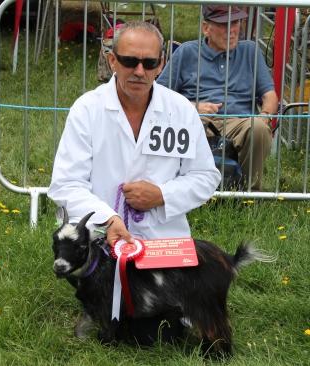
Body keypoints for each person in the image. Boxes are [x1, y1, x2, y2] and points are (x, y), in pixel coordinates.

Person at [48, 21, 220, 344]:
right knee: (122, 329)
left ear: (162, 63)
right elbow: (65, 184)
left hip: (164, 243)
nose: (139, 71)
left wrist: (162, 195)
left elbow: (207, 176)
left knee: (159, 335)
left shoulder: (181, 111)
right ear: (112, 61)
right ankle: (98, 306)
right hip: (104, 246)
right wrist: (107, 218)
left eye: (149, 62)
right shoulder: (87, 110)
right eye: (129, 61)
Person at [157, 5, 279, 191]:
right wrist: (193, 107)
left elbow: (269, 95)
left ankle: (249, 194)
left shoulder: (250, 51)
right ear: (206, 28)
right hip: (197, 120)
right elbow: (159, 96)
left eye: (236, 22)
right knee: (177, 127)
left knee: (259, 129)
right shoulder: (186, 52)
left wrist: (265, 115)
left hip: (240, 121)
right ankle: (181, 190)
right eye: (224, 25)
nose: (232, 30)